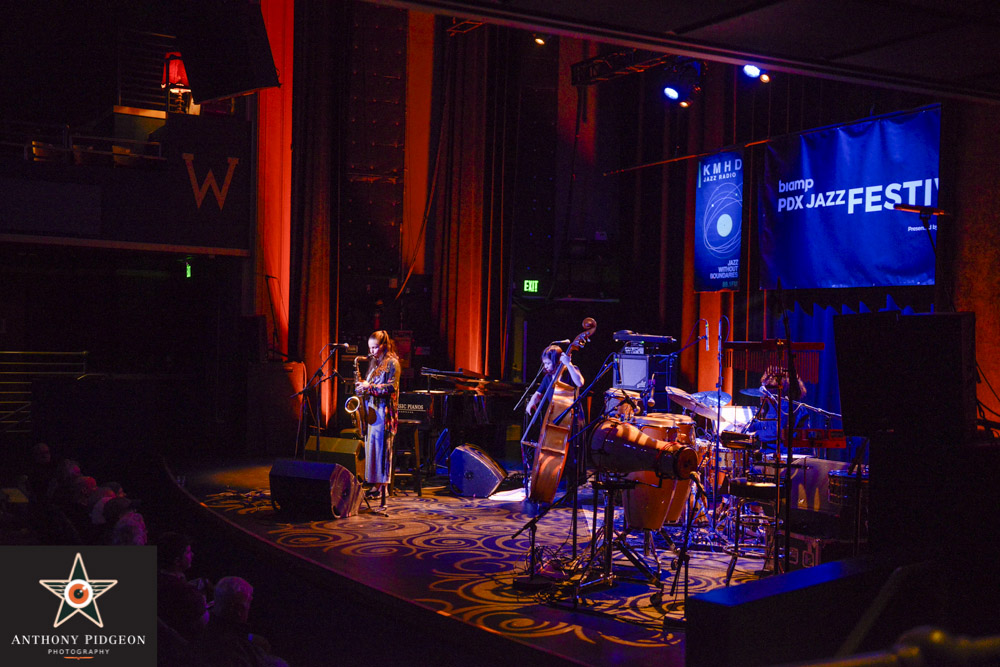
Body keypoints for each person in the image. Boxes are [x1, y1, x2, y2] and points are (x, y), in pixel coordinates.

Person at [353, 330, 401, 512]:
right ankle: (375, 485)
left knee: (383, 450)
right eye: (370, 348)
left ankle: (383, 488)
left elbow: (391, 388)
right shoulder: (375, 364)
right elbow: (370, 387)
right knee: (372, 448)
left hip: (385, 412)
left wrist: (370, 386)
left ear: (384, 346)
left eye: (374, 347)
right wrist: (362, 387)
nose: (371, 351)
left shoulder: (393, 363)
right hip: (373, 410)